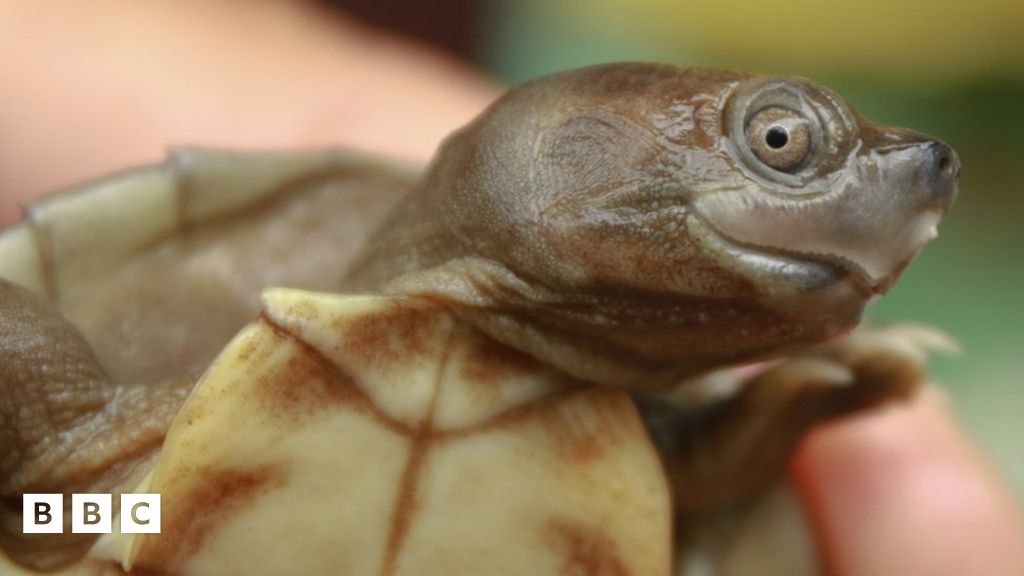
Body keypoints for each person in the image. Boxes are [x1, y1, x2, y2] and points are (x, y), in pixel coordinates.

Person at [1, 2, 1021, 574]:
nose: (904, 205)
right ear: (568, 142)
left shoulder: (669, 462)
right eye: (782, 143)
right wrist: (64, 480)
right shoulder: (96, 485)